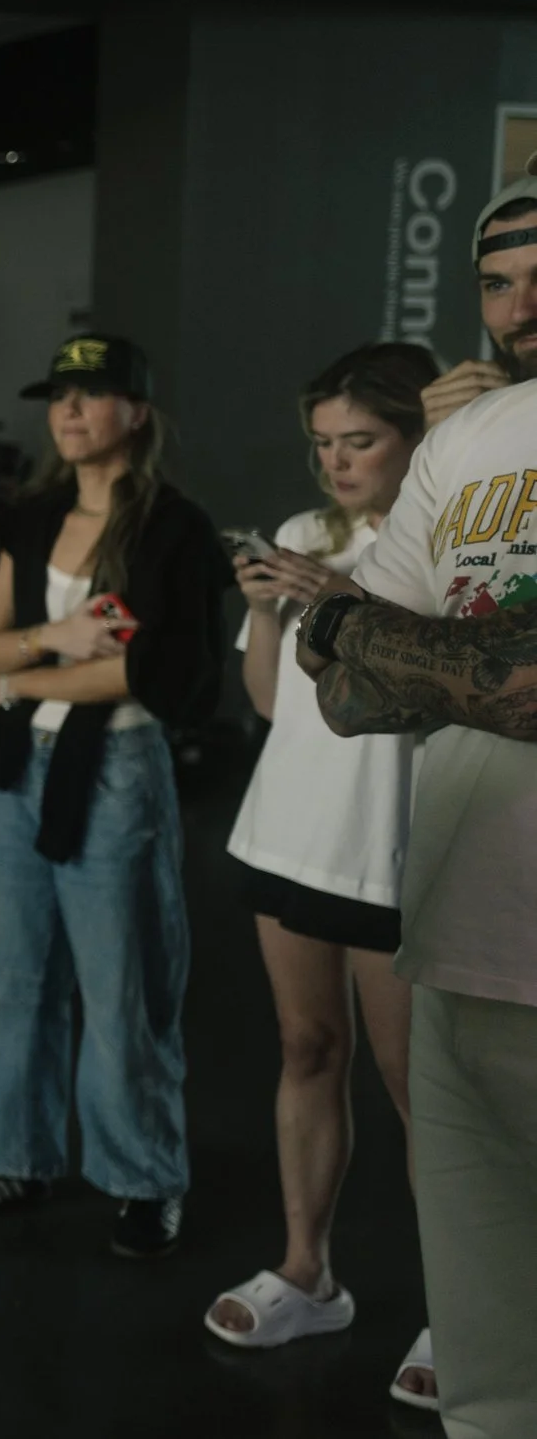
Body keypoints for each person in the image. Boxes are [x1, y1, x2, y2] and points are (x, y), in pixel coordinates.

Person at [296, 166, 537, 1437]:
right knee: (489, 1372)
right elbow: (340, 687)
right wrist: (366, 637)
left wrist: (366, 632)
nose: (521, 307)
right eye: (497, 281)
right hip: (458, 942)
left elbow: (518, 683)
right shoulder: (465, 443)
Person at [0, 333, 226, 1259]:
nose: (66, 410)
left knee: (123, 986)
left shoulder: (173, 529)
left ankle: (144, 1179)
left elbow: (151, 674)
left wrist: (21, 675)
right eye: (58, 396)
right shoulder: (32, 517)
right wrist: (53, 639)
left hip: (115, 773)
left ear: (135, 412)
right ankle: (9, 1157)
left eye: (90, 395)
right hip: (12, 773)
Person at [204, 344, 439, 1410]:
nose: (338, 462)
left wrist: (346, 597)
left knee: (421, 1091)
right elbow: (268, 703)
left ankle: (466, 1309)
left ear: (415, 438)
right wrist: (264, 607)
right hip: (288, 832)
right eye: (324, 444)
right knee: (306, 1048)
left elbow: (439, 686)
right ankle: (307, 1273)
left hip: (391, 845)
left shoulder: (446, 543)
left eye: (361, 440)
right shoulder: (304, 533)